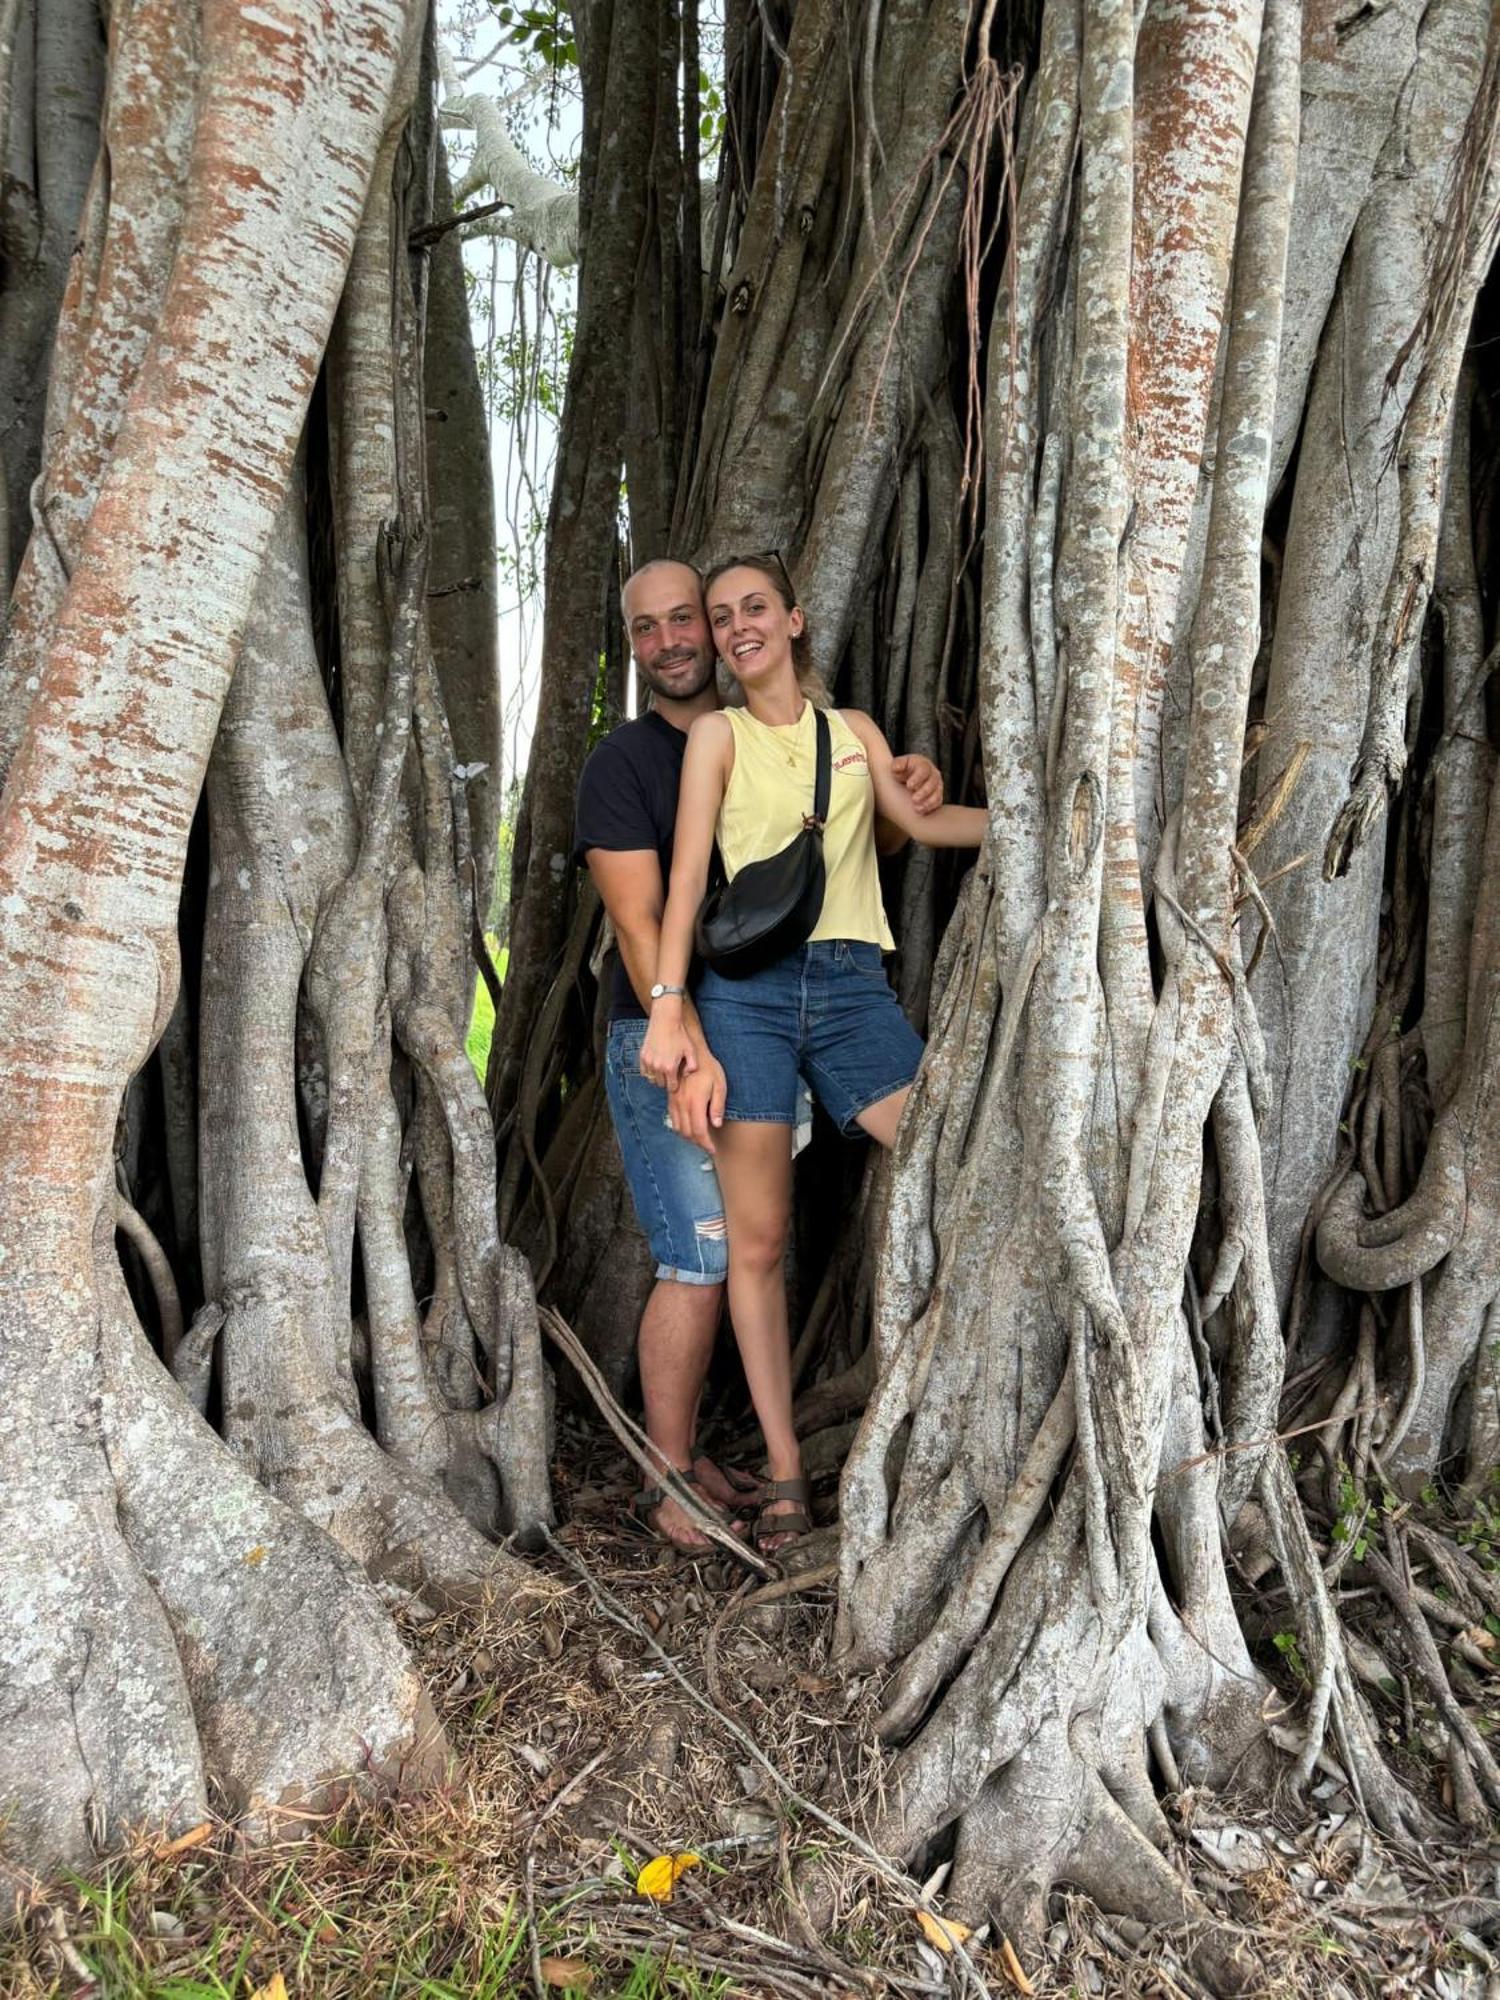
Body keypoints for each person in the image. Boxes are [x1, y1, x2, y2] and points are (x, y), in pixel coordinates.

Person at [573, 558, 943, 1549]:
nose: (676, 639)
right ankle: (668, 1479)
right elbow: (650, 911)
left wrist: (925, 790)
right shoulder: (636, 762)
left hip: (800, 1001)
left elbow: (868, 842)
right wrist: (678, 1027)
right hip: (672, 1028)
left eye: (684, 618)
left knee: (772, 1237)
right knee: (704, 1256)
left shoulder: (810, 737)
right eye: (646, 628)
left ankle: (694, 1458)